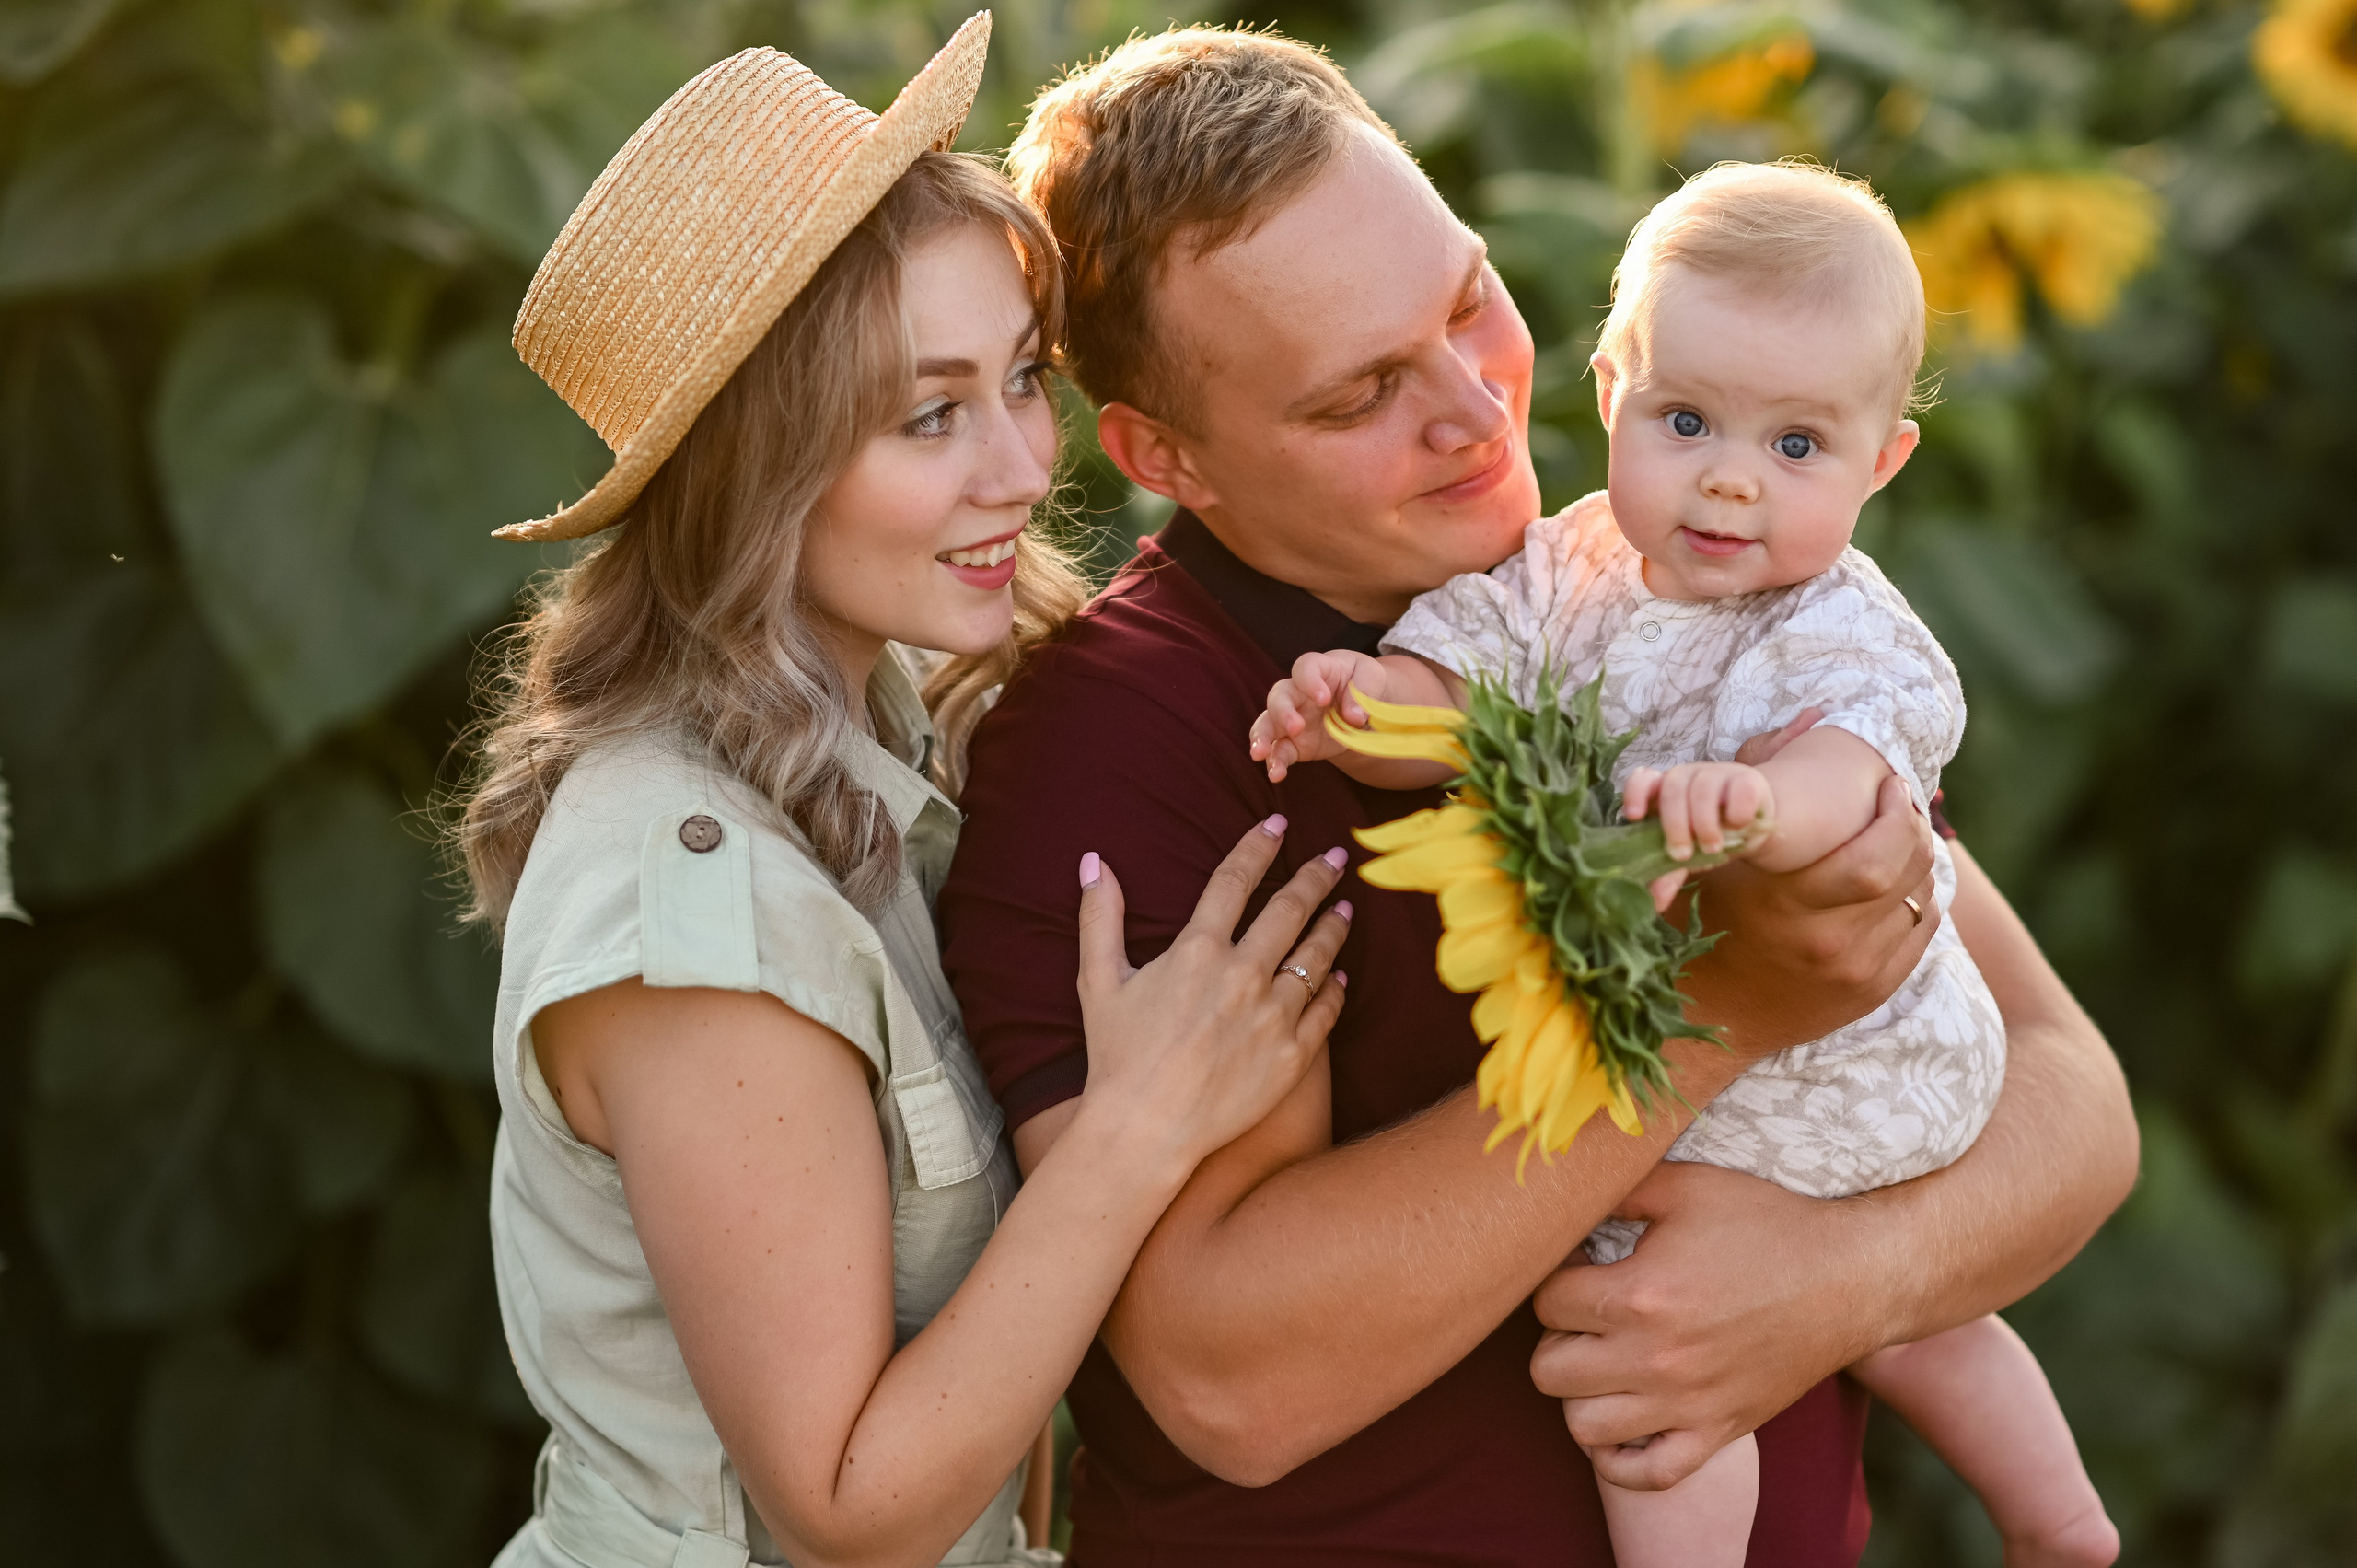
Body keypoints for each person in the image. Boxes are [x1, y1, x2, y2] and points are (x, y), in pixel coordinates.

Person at [938, 28, 2139, 1565]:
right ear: (1168, 457)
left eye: (1466, 300)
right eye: (1361, 393)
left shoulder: (1654, 582)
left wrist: (1837, 1284)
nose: (1474, 406)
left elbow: (2071, 1100)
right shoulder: (1128, 742)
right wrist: (1708, 1022)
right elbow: (1225, 1380)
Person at [455, 22, 1355, 1566]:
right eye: (930, 415)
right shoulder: (700, 906)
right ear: (759, 466)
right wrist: (1138, 1128)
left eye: (1022, 379)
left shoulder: (877, 720)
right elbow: (846, 1508)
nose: (1022, 466)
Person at [1254, 160, 2119, 1568]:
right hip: (1760, 1061)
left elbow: (1856, 781)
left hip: (1847, 1063)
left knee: (1638, 1349)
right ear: (1611, 396)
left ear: (1882, 463)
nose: (1729, 476)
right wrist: (1362, 705)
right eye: (1687, 420)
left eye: (1798, 445)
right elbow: (1460, 694)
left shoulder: (1841, 622)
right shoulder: (1566, 569)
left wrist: (1752, 802)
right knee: (1925, 1330)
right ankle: (2064, 1525)